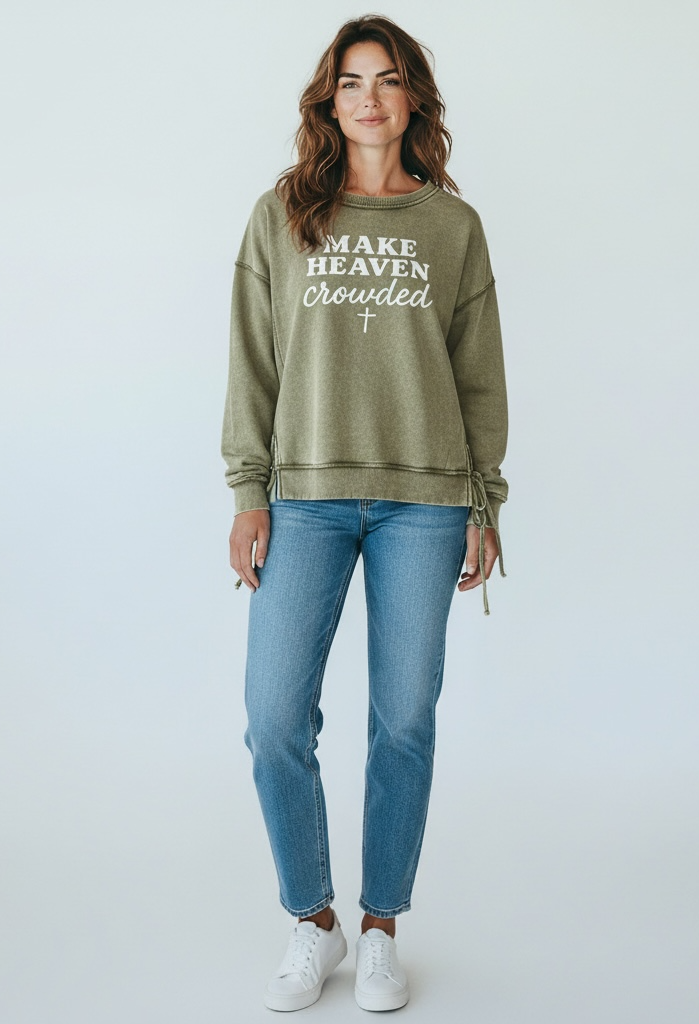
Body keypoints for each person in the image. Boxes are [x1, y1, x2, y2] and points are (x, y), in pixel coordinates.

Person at [222, 14, 509, 1012]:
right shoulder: (282, 215)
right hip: (303, 498)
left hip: (425, 503)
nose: (370, 98)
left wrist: (484, 502)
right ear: (329, 101)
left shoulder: (453, 227)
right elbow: (251, 362)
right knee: (273, 720)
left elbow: (478, 380)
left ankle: (381, 925)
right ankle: (315, 920)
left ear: (412, 97)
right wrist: (247, 492)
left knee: (404, 721)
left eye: (387, 80)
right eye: (351, 82)